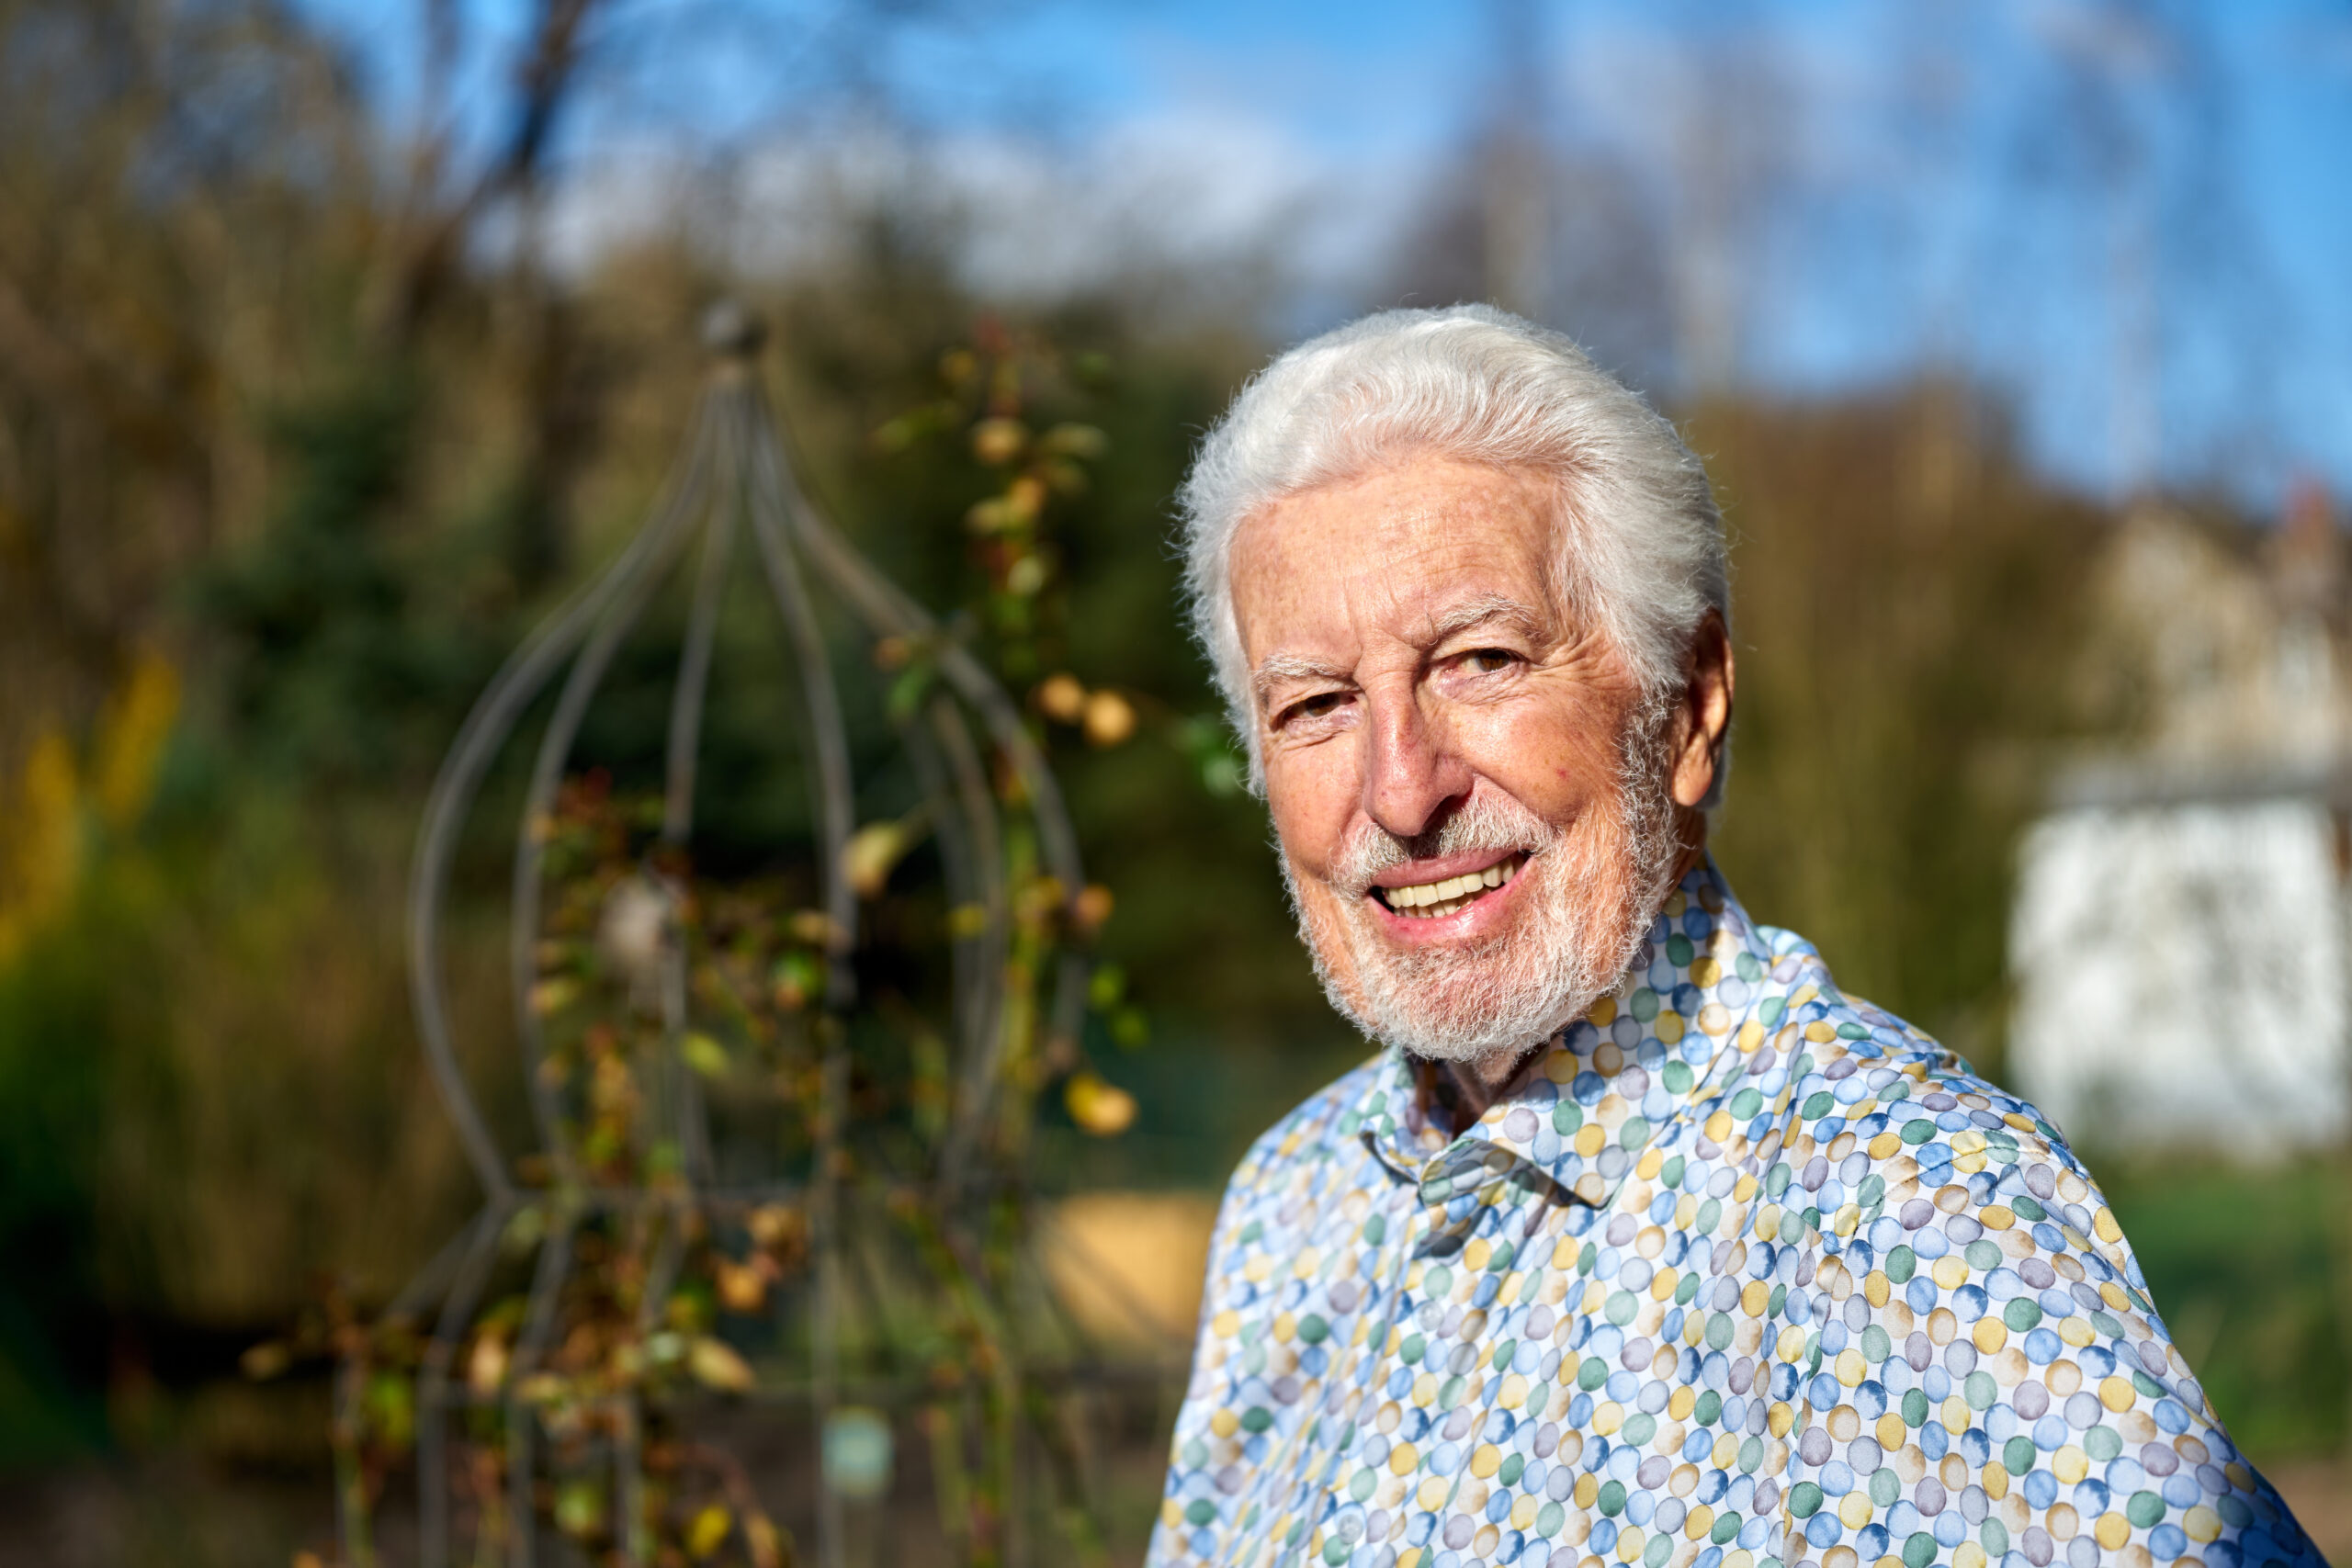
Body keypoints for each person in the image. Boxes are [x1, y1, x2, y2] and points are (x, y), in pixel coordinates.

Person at [1146, 306, 2320, 1568]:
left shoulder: (1895, 1203)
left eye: (1482, 662)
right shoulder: (1292, 1204)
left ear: (1690, 708)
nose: (1399, 790)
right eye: (1317, 703)